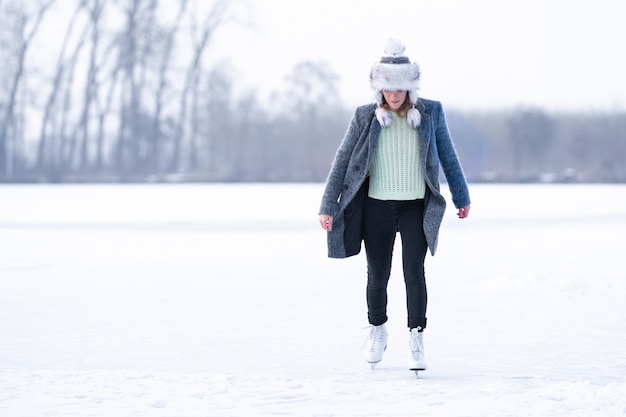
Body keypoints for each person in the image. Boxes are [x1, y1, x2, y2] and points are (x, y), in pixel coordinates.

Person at [318, 38, 471, 372]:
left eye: (400, 88)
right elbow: (342, 159)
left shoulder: (430, 113)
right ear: (380, 88)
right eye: (388, 88)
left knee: (414, 273)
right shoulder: (365, 116)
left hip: (416, 207)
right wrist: (328, 205)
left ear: (410, 88)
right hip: (376, 208)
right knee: (377, 276)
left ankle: (416, 337)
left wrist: (462, 196)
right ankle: (377, 330)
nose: (394, 94)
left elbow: (447, 154)